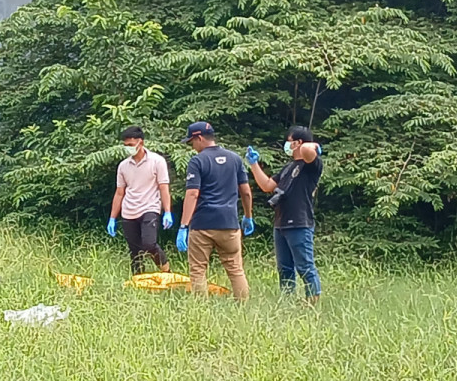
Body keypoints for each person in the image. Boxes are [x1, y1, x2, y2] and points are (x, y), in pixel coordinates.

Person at [175, 122, 253, 301]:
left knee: (198, 269)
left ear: (199, 138)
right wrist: (248, 216)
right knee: (235, 269)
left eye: (191, 142)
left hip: (203, 224)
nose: (192, 147)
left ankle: (201, 309)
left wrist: (183, 225)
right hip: (229, 223)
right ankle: (243, 307)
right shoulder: (235, 159)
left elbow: (193, 193)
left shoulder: (198, 160)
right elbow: (246, 192)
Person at [245, 125, 322, 304]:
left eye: (289, 142)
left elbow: (309, 151)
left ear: (298, 143)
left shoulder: (311, 165)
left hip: (299, 223)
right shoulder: (288, 168)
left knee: (305, 266)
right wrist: (254, 164)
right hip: (281, 224)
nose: (286, 145)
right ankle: (287, 302)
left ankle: (313, 302)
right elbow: (267, 186)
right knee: (284, 268)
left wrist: (312, 145)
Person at [107, 126, 173, 275]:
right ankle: (139, 280)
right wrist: (112, 217)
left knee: (149, 244)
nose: (128, 148)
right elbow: (119, 193)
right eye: (125, 146)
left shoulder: (157, 161)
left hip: (150, 207)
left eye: (130, 145)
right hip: (129, 210)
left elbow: (163, 187)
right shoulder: (123, 166)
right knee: (135, 250)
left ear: (140, 143)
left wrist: (167, 211)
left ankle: (166, 272)